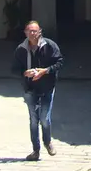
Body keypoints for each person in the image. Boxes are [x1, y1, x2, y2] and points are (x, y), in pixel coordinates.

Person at [10, 20, 63, 161]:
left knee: (44, 119)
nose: (32, 33)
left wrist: (45, 71)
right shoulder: (21, 49)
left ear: (40, 32)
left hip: (47, 87)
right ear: (25, 33)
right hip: (30, 88)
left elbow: (59, 62)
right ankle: (36, 150)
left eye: (35, 31)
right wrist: (24, 73)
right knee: (33, 120)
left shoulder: (50, 46)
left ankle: (48, 142)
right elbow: (14, 69)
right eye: (29, 31)